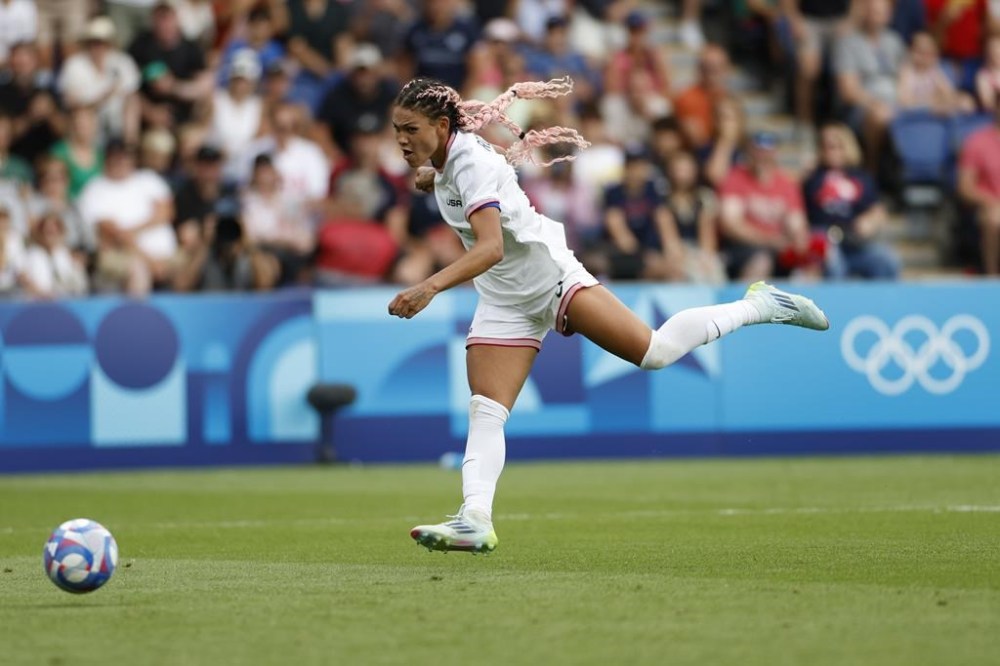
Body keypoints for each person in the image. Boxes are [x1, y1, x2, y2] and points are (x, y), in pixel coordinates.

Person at [387, 76, 830, 554]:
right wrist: (434, 171)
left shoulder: (469, 163)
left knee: (654, 353)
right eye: (396, 130)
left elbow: (492, 247)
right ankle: (475, 518)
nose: (401, 140)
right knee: (486, 411)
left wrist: (429, 286)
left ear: (439, 124)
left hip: (552, 279)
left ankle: (759, 305)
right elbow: (461, 177)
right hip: (504, 299)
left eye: (410, 128)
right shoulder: (452, 158)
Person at [802, 123, 900, 279]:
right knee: (832, 260)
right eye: (826, 146)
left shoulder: (861, 177)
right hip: (823, 236)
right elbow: (799, 210)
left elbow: (877, 210)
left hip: (854, 239)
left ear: (847, 147)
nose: (830, 151)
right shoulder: (813, 177)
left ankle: (880, 303)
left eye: (835, 146)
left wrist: (870, 222)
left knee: (886, 261)